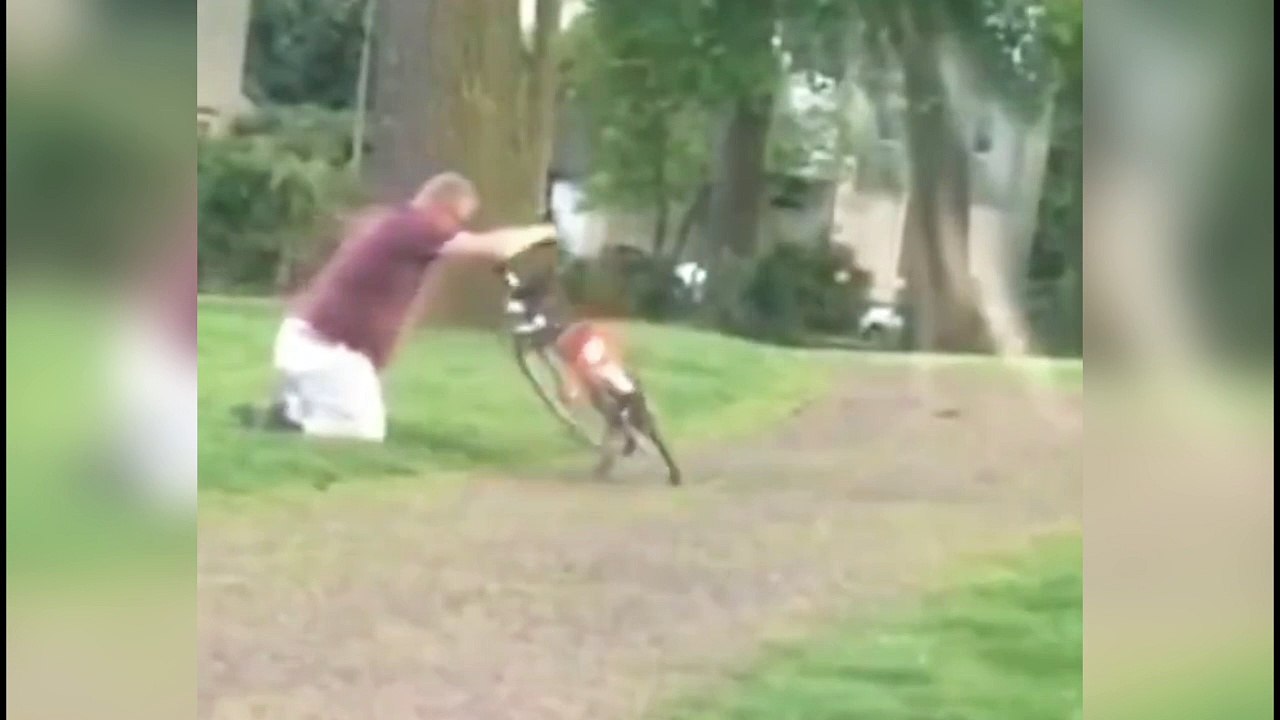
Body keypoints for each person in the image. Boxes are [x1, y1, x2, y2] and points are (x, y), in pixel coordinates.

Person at [236, 172, 479, 441]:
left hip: (313, 341)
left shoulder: (396, 225)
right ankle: (287, 423)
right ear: (439, 206)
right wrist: (531, 236)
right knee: (361, 435)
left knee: (351, 417)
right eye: (457, 218)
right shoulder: (416, 227)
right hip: (328, 348)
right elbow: (483, 246)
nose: (457, 227)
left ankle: (291, 411)